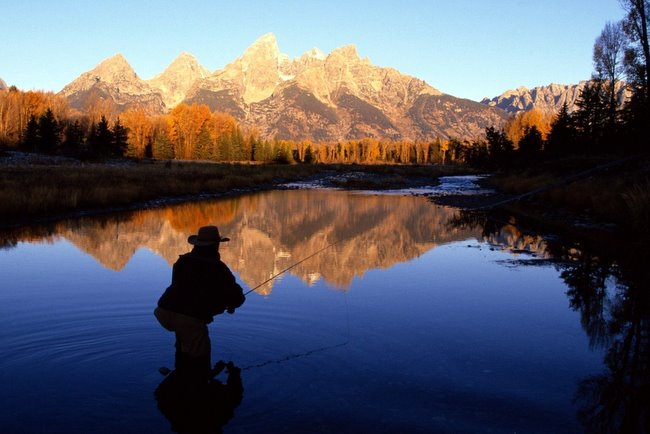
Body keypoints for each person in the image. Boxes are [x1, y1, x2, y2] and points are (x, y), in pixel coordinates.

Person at [154, 225, 245, 380]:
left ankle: (179, 377)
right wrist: (234, 375)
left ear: (197, 244)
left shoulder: (182, 262)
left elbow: (183, 291)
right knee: (199, 357)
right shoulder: (218, 268)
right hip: (188, 318)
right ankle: (197, 389)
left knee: (183, 343)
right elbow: (237, 297)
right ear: (216, 245)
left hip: (164, 311)